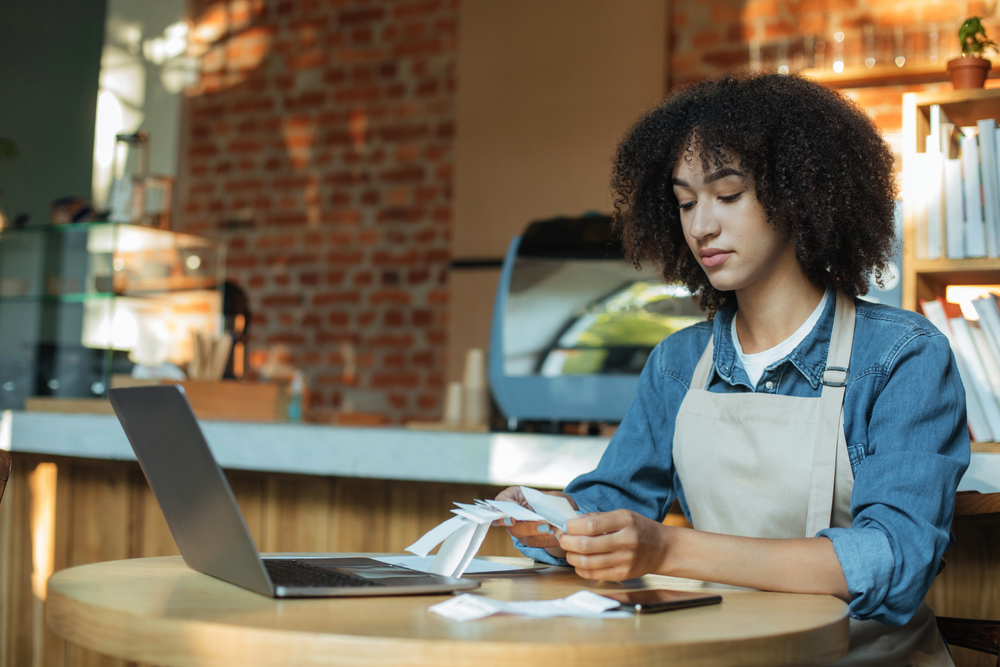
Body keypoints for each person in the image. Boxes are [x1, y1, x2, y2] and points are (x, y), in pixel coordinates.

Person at [496, 73, 970, 666]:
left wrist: (667, 549)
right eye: (686, 203)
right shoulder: (678, 363)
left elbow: (892, 560)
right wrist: (549, 522)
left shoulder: (901, 356)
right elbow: (612, 505)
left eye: (727, 195)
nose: (700, 227)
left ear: (800, 191)